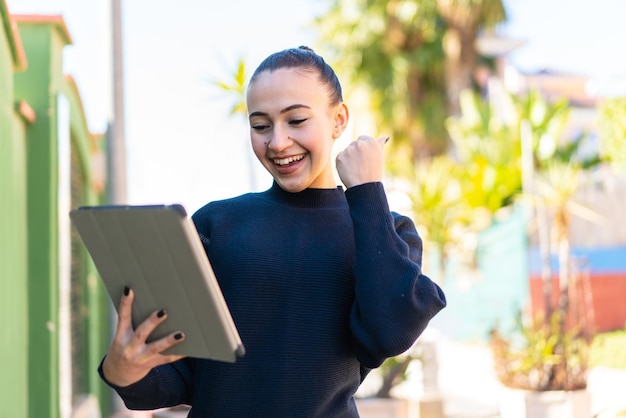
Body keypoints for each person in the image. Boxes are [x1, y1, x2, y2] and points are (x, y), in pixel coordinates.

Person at [98, 46, 446, 417]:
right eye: (261, 125)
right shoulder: (215, 224)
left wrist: (367, 192)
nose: (277, 142)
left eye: (296, 120)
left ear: (339, 120)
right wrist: (125, 371)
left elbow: (388, 334)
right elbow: (184, 374)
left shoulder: (385, 229)